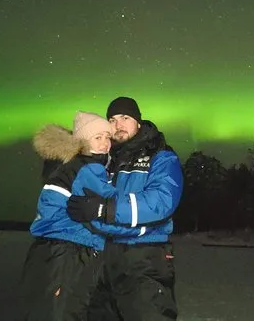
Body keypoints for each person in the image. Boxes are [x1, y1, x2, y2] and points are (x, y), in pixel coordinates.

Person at [20, 111, 149, 321]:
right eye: (97, 137)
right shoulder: (89, 169)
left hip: (52, 251)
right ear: (82, 141)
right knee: (66, 311)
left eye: (107, 137)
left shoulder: (67, 165)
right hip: (70, 251)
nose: (105, 143)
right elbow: (112, 204)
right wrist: (141, 225)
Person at [67, 96, 184, 321]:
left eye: (125, 118)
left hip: (144, 258)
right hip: (103, 260)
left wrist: (105, 209)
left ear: (138, 122)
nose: (118, 125)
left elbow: (161, 201)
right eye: (112, 120)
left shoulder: (160, 156)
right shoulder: (104, 160)